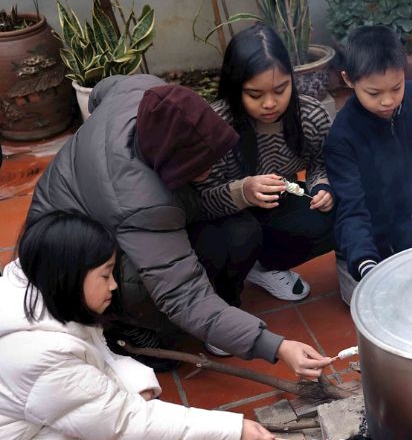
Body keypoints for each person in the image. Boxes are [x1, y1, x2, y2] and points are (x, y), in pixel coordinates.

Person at [0, 211, 275, 440]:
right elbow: (127, 422)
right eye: (105, 275)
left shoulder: (33, 288)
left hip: (26, 419)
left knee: (126, 417)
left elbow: (94, 356)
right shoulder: (41, 355)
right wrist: (233, 432)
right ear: (68, 276)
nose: (113, 285)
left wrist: (137, 386)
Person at [27, 73, 331, 378]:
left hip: (102, 207)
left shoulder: (146, 91)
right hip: (64, 255)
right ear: (170, 164)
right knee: (132, 283)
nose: (213, 169)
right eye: (202, 166)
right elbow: (183, 295)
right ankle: (126, 326)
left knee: (234, 232)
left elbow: (101, 92)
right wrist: (275, 346)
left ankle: (214, 315)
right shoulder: (142, 203)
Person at [194, 23, 336, 305]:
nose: (270, 103)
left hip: (277, 201)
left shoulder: (310, 115)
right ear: (236, 88)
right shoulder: (215, 126)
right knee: (239, 235)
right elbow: (199, 204)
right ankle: (223, 301)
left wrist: (322, 185)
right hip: (226, 217)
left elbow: (321, 162)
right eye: (255, 95)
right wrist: (243, 191)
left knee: (333, 216)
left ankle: (264, 267)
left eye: (281, 89)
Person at [326, 26, 412, 305]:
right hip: (366, 231)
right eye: (373, 93)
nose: (387, 101)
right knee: (369, 302)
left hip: (409, 221)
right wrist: (365, 263)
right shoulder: (342, 137)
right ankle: (356, 262)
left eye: (396, 88)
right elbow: (350, 207)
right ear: (348, 80)